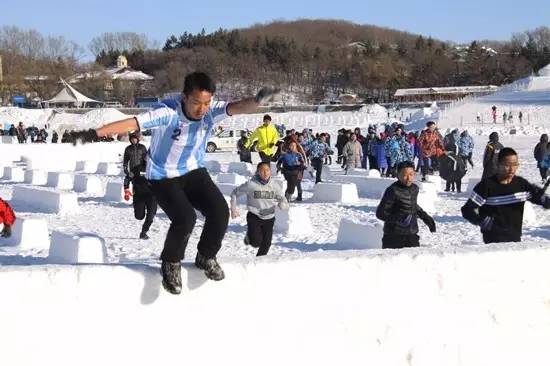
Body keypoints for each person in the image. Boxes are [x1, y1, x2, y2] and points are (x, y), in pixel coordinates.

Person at [71, 71, 279, 295]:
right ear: (184, 97)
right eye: (196, 102)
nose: (202, 109)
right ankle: (170, 262)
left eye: (207, 102)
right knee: (185, 218)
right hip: (162, 176)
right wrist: (93, 133)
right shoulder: (168, 112)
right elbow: (131, 122)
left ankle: (206, 256)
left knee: (219, 210)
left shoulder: (211, 112)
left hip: (192, 171)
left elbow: (238, 107)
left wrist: (258, 100)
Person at [462, 148, 550, 244]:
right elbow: (467, 210)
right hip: (493, 242)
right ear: (498, 164)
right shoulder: (486, 185)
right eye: (507, 165)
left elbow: (539, 197)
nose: (512, 169)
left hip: (514, 241)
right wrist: (481, 220)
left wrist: (544, 200)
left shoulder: (521, 184)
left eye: (515, 165)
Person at [230, 162, 289, 256]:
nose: (265, 173)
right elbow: (234, 193)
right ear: (258, 172)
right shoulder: (251, 184)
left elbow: (284, 201)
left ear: (270, 172)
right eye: (262, 170)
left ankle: (259, 262)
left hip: (269, 217)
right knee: (256, 242)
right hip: (254, 216)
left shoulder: (274, 185)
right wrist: (233, 208)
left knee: (267, 244)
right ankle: (249, 237)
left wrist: (282, 205)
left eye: (267, 170)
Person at [376, 161, 436, 249]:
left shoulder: (414, 188)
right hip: (393, 236)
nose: (408, 178)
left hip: (411, 234)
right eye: (405, 175)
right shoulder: (393, 190)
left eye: (411, 174)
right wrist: (397, 218)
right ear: (398, 175)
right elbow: (380, 213)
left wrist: (425, 217)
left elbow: (412, 204)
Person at [122, 133, 157, 240]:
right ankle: (137, 206)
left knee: (151, 215)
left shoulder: (155, 169)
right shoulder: (128, 150)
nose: (134, 141)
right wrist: (127, 190)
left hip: (151, 195)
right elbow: (127, 176)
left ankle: (144, 232)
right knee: (139, 216)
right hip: (138, 187)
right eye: (132, 139)